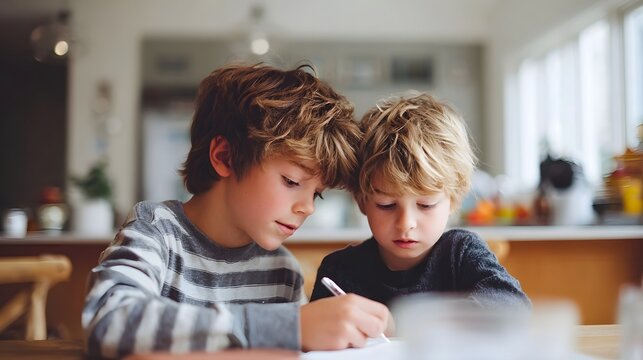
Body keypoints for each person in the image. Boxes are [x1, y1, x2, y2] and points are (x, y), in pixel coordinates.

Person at [82, 64, 389, 358]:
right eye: (292, 181)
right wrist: (289, 326)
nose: (307, 207)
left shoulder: (282, 273)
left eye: (317, 195)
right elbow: (110, 321)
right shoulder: (157, 232)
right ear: (225, 157)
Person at [310, 93, 530, 311]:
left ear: (453, 201)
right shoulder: (340, 270)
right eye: (386, 205)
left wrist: (401, 324)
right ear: (361, 201)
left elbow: (513, 309)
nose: (406, 224)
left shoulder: (460, 254)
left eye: (425, 205)